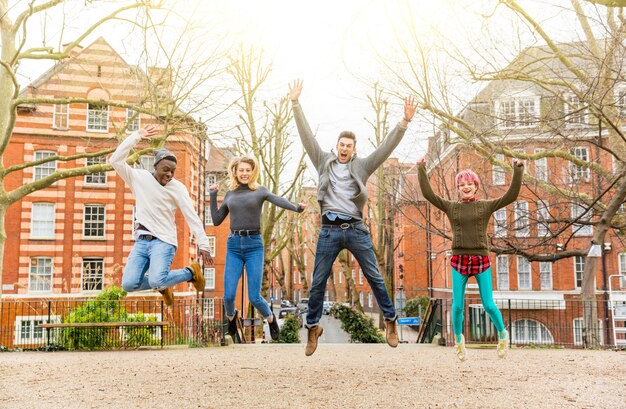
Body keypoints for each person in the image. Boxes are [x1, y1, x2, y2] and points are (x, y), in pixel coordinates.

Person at [288, 79, 418, 356]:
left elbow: (385, 149)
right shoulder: (324, 161)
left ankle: (390, 321)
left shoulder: (362, 166)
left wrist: (403, 123)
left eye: (349, 145)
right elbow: (306, 136)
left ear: (354, 149)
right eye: (341, 144)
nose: (345, 148)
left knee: (374, 277)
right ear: (336, 147)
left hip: (356, 230)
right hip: (329, 231)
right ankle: (313, 327)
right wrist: (296, 104)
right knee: (318, 281)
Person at [417, 155, 524, 361]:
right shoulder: (452, 207)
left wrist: (518, 170)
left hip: (481, 260)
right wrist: (422, 168)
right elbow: (429, 195)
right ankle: (458, 340)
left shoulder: (485, 206)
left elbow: (510, 196)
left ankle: (502, 335)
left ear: (476, 186)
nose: (465, 187)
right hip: (459, 260)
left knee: (489, 304)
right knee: (457, 305)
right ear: (458, 188)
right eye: (461, 184)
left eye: (469, 184)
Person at [110, 125, 213, 306]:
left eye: (173, 171)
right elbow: (115, 161)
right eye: (166, 169)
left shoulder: (178, 188)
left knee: (157, 279)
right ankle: (165, 283)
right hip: (142, 241)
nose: (169, 174)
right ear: (155, 165)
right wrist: (137, 136)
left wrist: (203, 244)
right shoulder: (139, 178)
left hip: (164, 241)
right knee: (128, 284)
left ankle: (190, 272)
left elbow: (192, 216)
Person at [209, 156, 306, 341]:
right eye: (241, 170)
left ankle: (270, 318)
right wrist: (213, 195)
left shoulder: (259, 191)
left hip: (254, 245)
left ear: (252, 172)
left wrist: (296, 208)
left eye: (248, 170)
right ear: (235, 172)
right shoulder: (230, 194)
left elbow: (278, 200)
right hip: (234, 245)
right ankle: (231, 318)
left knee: (254, 296)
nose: (245, 173)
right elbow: (216, 220)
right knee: (228, 296)